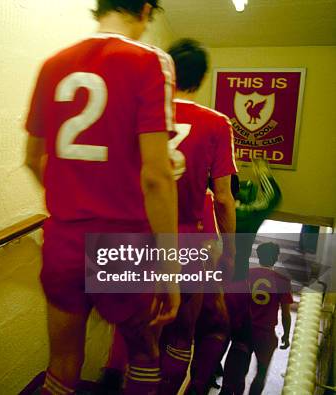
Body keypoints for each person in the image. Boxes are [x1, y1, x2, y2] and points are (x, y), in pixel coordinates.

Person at [24, 1, 180, 394]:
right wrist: (170, 269)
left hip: (63, 239)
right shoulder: (151, 61)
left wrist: (77, 196)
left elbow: (30, 158)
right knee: (143, 352)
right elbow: (157, 177)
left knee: (60, 365)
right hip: (121, 239)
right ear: (145, 9)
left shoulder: (53, 63)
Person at [97, 39, 237, 395]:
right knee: (181, 331)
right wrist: (231, 251)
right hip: (190, 239)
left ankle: (114, 378)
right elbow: (222, 198)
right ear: (202, 78)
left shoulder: (134, 114)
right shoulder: (217, 123)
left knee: (135, 328)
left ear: (167, 71)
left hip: (134, 238)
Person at [219, 159, 282, 395]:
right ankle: (230, 389)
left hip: (205, 284)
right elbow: (273, 197)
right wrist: (263, 170)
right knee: (241, 342)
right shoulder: (246, 214)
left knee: (202, 340)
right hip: (235, 287)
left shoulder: (209, 206)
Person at [247, 242, 292, 395]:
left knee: (235, 374)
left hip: (244, 331)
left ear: (258, 256)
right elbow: (286, 314)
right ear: (276, 258)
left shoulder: (246, 275)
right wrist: (286, 335)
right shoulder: (282, 281)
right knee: (260, 374)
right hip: (265, 334)